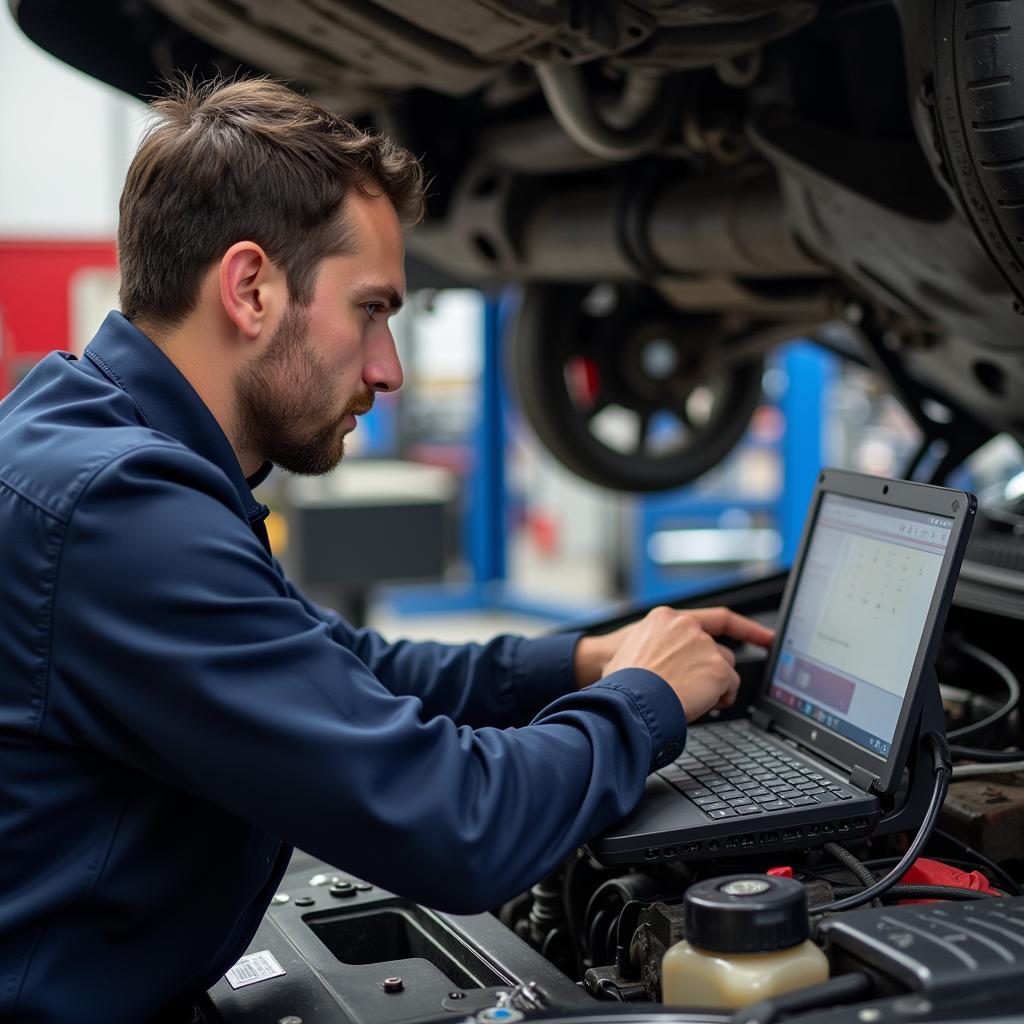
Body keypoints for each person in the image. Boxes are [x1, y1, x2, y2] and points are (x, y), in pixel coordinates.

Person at [0, 77, 773, 1023]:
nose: (389, 369)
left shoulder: (88, 438)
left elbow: (333, 667)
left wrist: (579, 660)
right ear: (250, 288)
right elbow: (458, 827)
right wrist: (643, 703)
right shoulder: (121, 510)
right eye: (372, 310)